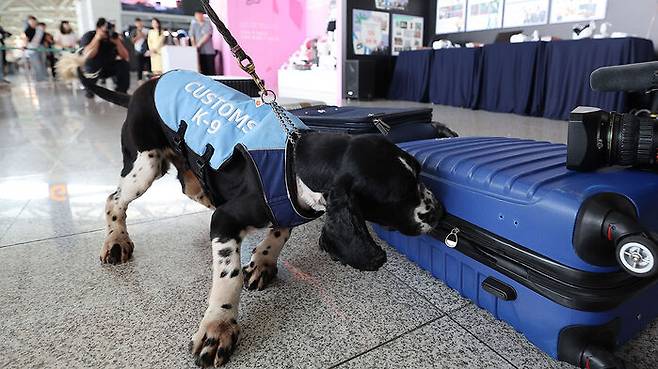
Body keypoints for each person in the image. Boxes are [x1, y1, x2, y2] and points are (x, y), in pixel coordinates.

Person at [79, 18, 130, 96]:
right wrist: (97, 39)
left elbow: (126, 56)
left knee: (123, 64)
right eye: (105, 30)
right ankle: (89, 89)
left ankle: (121, 91)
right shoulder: (89, 36)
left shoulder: (113, 37)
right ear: (98, 29)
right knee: (89, 91)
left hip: (107, 66)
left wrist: (117, 43)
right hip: (92, 67)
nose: (107, 33)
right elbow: (88, 55)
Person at [189, 10, 215, 75]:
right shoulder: (194, 25)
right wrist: (193, 47)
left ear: (202, 15)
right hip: (199, 52)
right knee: (202, 70)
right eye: (196, 15)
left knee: (210, 69)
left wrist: (198, 45)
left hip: (208, 51)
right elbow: (192, 36)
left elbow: (207, 35)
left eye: (199, 15)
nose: (198, 16)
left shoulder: (208, 23)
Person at [22, 16, 48, 81]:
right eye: (30, 21)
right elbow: (26, 39)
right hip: (32, 48)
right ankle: (39, 78)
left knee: (43, 62)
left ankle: (43, 77)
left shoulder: (39, 29)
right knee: (37, 64)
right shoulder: (28, 30)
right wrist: (24, 46)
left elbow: (44, 38)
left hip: (41, 47)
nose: (32, 23)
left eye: (33, 21)